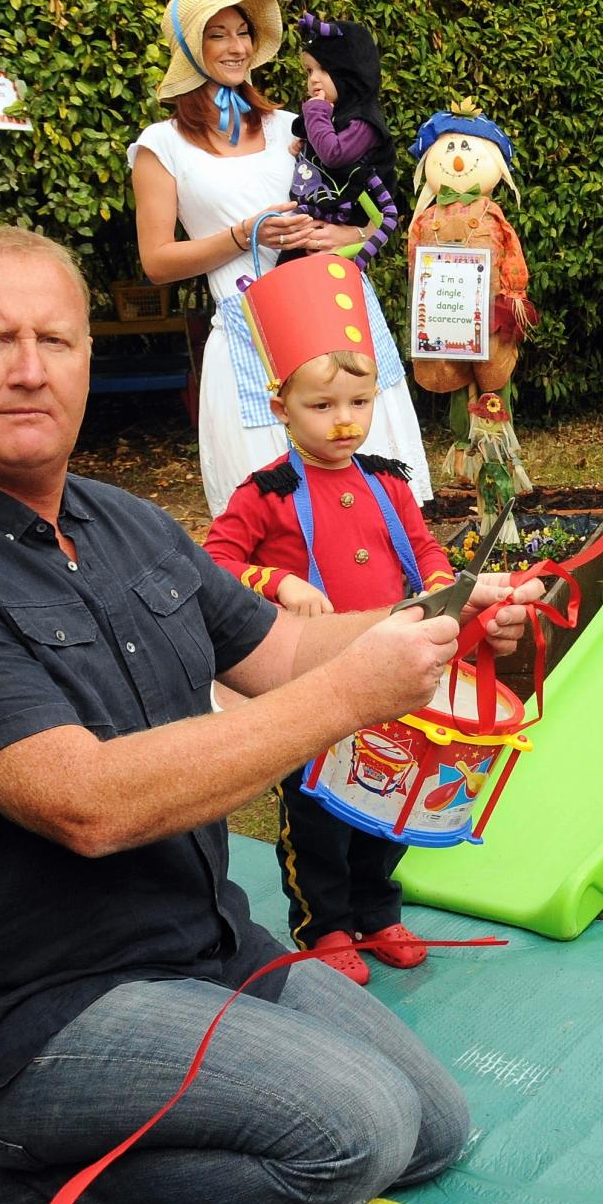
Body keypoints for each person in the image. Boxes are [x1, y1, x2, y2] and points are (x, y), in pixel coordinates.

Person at [0, 228, 543, 1204]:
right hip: (26, 1008)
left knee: (430, 1126)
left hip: (197, 942)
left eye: (56, 338)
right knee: (354, 1136)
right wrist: (351, 694)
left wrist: (447, 614)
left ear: (85, 363)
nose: (29, 366)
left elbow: (283, 649)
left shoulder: (128, 524)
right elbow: (90, 803)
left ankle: (124, 1145)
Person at [203, 256, 458, 985]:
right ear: (281, 406)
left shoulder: (386, 481)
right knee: (319, 816)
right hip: (308, 682)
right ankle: (326, 927)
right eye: (322, 406)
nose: (344, 421)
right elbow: (215, 564)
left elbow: (424, 549)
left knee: (388, 804)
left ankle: (379, 914)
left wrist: (441, 584)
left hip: (391, 676)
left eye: (359, 402)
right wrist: (276, 579)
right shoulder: (266, 492)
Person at [129, 0, 430, 516]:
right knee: (276, 516)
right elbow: (156, 262)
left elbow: (373, 208)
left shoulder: (293, 124)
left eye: (243, 33)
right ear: (188, 49)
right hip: (250, 331)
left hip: (335, 319)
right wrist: (243, 236)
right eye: (216, 35)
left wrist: (350, 237)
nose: (236, 47)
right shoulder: (162, 144)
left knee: (372, 501)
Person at [282, 12, 403, 264]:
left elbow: (334, 155)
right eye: (309, 70)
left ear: (351, 74)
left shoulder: (363, 121)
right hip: (321, 217)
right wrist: (305, 146)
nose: (313, 78)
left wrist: (315, 113)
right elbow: (321, 148)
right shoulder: (335, 113)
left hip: (350, 219)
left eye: (324, 69)